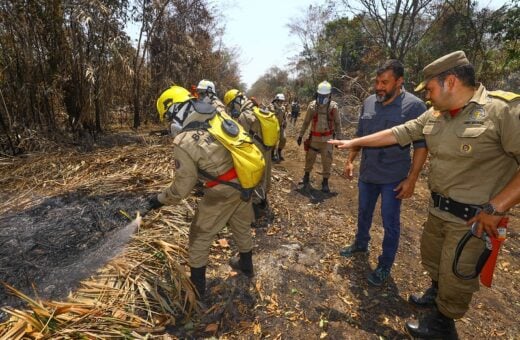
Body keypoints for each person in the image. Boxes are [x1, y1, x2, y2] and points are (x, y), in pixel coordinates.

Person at [329, 51, 520, 339]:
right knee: (435, 262)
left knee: (457, 273)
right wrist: (353, 143)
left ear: (451, 82)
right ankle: (435, 296)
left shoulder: (502, 111)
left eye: (430, 88)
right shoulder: (436, 115)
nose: (428, 96)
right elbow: (396, 133)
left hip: (475, 218)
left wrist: (497, 207)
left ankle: (443, 325)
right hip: (439, 210)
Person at [143, 85, 255, 299]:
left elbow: (181, 189)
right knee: (240, 224)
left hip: (223, 191)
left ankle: (196, 292)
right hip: (244, 179)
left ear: (175, 110)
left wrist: (158, 200)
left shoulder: (184, 141)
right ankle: (247, 266)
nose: (170, 124)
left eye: (168, 117)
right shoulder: (218, 114)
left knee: (198, 237)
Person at [338, 59, 428, 287]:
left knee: (390, 223)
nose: (379, 87)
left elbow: (420, 146)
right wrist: (350, 161)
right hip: (368, 174)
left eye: (385, 82)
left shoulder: (415, 107)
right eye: (377, 82)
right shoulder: (369, 102)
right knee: (363, 212)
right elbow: (360, 135)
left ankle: (385, 264)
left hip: (393, 178)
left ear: (400, 81)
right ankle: (361, 243)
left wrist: (412, 179)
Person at [223, 89, 274, 225]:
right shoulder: (258, 108)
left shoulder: (244, 116)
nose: (232, 109)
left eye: (232, 105)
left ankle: (257, 212)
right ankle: (264, 202)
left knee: (256, 177)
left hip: (257, 150)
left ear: (236, 102)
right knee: (265, 176)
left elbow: (240, 138)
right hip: (267, 148)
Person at [297, 81, 342, 193]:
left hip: (328, 140)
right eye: (320, 95)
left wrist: (339, 139)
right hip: (314, 139)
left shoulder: (333, 107)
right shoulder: (312, 106)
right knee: (309, 158)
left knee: (327, 161)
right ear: (317, 94)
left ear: (329, 95)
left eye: (324, 96)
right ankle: (306, 176)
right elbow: (306, 122)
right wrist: (300, 135)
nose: (322, 98)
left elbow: (337, 123)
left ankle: (325, 182)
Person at [268, 93, 287, 161]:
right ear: (276, 100)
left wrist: (285, 121)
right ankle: (272, 154)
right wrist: (278, 109)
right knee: (274, 141)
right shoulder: (271, 106)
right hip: (273, 127)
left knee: (283, 139)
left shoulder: (283, 107)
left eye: (282, 101)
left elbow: (284, 116)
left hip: (280, 126)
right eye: (280, 101)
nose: (281, 102)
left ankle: (279, 152)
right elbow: (272, 113)